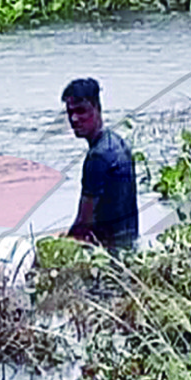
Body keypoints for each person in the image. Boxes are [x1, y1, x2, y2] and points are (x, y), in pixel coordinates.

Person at [62, 78, 139, 252]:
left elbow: (84, 223)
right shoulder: (119, 143)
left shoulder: (97, 157)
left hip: (107, 254)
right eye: (70, 112)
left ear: (97, 109)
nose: (74, 119)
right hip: (130, 246)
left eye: (81, 111)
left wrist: (62, 245)